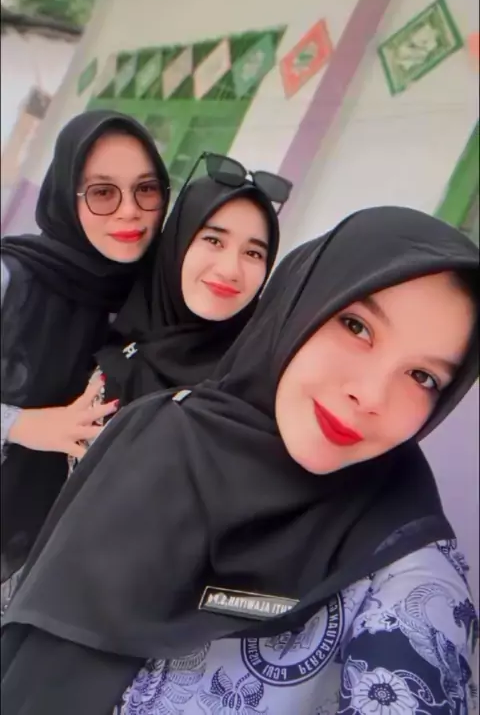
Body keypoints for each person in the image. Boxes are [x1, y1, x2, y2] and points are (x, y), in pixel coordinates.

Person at [1, 206, 478, 715]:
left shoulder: (410, 582)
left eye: (423, 377)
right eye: (356, 326)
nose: (371, 395)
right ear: (299, 302)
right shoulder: (154, 430)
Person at [0, 109, 170, 588]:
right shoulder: (12, 277)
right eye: (102, 192)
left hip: (58, 574)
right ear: (66, 195)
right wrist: (23, 424)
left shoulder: (153, 304)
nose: (129, 210)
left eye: (146, 189)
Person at [95, 173, 280, 409]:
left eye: (253, 253)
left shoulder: (260, 387)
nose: (230, 270)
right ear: (177, 241)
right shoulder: (93, 326)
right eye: (214, 241)